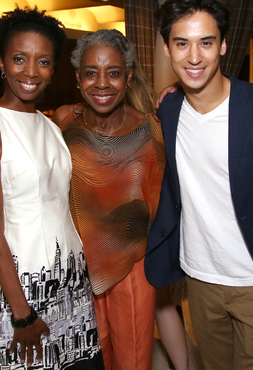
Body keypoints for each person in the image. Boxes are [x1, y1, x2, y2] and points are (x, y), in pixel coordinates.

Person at [144, 0, 253, 370]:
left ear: (222, 46)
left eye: (206, 42)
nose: (194, 56)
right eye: (182, 43)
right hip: (198, 279)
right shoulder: (168, 109)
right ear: (167, 50)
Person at [0, 6, 104, 369]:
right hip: (24, 287)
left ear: (53, 68)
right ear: (1, 62)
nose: (30, 71)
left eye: (43, 61)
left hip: (70, 276)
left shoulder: (50, 126)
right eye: (19, 59)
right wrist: (22, 314)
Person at [52, 29, 167, 370]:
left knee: (132, 358)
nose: (102, 83)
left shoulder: (151, 128)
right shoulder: (64, 119)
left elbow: (160, 201)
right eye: (91, 73)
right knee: (88, 358)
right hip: (77, 266)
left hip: (132, 266)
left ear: (128, 76)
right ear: (77, 77)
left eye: (113, 73)